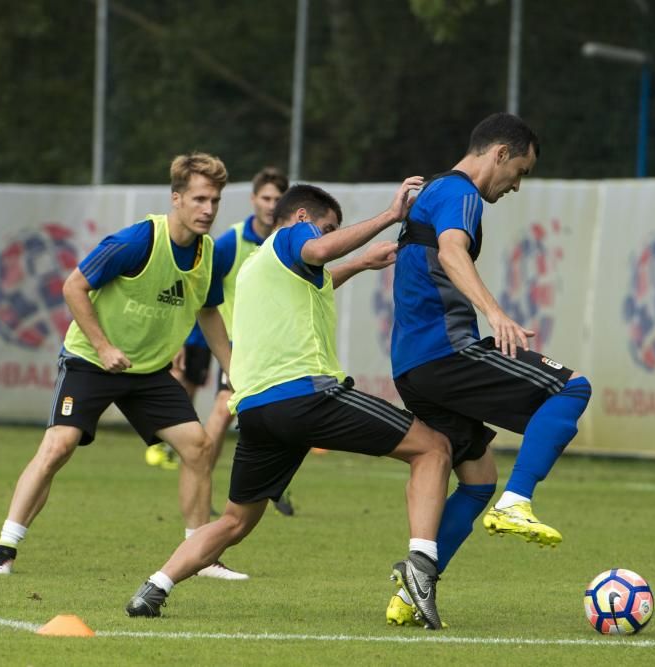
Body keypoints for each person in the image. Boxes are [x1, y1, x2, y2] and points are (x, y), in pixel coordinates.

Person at [125, 180, 453, 630]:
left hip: (258, 411)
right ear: (302, 220)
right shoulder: (291, 236)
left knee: (236, 521)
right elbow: (317, 253)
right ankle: (421, 567)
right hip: (307, 396)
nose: (328, 237)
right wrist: (389, 217)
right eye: (328, 228)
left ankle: (155, 586)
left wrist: (358, 263)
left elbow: (318, 279)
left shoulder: (260, 266)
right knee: (433, 448)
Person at [0, 152, 247, 581]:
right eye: (199, 199)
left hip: (148, 373)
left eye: (215, 200)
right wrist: (104, 347)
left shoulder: (209, 254)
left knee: (198, 447)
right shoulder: (137, 241)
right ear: (176, 198)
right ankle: (4, 548)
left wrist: (234, 367)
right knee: (58, 446)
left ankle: (199, 555)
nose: (208, 209)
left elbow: (208, 311)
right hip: (91, 361)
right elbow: (74, 286)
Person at [385, 113, 592, 626]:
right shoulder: (461, 193)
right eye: (519, 171)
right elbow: (453, 250)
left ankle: (413, 592)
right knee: (570, 388)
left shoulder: (435, 191)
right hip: (445, 352)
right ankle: (517, 502)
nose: (517, 185)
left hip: (412, 368)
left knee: (477, 477)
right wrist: (494, 313)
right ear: (499, 153)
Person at [156, 168, 298, 518]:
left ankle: (274, 483)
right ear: (253, 200)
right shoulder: (231, 242)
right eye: (265, 198)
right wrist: (183, 339)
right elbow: (200, 294)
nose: (270, 205)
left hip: (279, 346)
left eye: (277, 198)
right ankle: (203, 482)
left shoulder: (290, 241)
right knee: (223, 409)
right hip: (237, 345)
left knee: (286, 414)